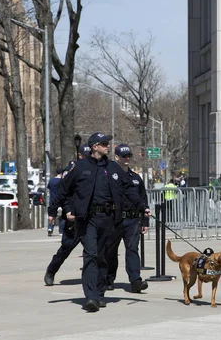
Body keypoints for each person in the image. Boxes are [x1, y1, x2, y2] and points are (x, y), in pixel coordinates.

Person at [49, 132, 150, 312]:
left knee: (103, 256)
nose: (108, 146)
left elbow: (129, 189)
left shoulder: (113, 168)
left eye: (108, 143)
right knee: (91, 255)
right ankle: (91, 297)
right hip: (87, 220)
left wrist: (142, 207)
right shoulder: (81, 167)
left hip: (109, 219)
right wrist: (52, 211)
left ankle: (100, 293)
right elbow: (63, 189)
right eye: (104, 143)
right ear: (95, 146)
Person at [104, 144, 150, 293]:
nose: (127, 158)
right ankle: (108, 279)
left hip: (132, 220)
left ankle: (136, 281)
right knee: (110, 250)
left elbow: (143, 199)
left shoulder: (136, 178)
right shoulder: (110, 175)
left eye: (129, 155)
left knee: (132, 249)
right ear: (117, 157)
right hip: (115, 220)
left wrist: (145, 220)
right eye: (124, 156)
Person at [43, 146, 90, 286]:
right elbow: (63, 195)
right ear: (80, 156)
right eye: (86, 155)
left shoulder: (95, 170)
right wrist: (66, 210)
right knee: (66, 248)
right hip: (73, 218)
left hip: (88, 218)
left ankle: (96, 280)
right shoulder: (72, 171)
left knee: (94, 251)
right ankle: (51, 271)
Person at [47, 167, 65, 236]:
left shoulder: (51, 181)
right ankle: (61, 231)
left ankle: (50, 228)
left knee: (52, 216)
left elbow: (49, 188)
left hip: (52, 200)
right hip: (60, 200)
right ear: (61, 173)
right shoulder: (62, 181)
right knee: (61, 217)